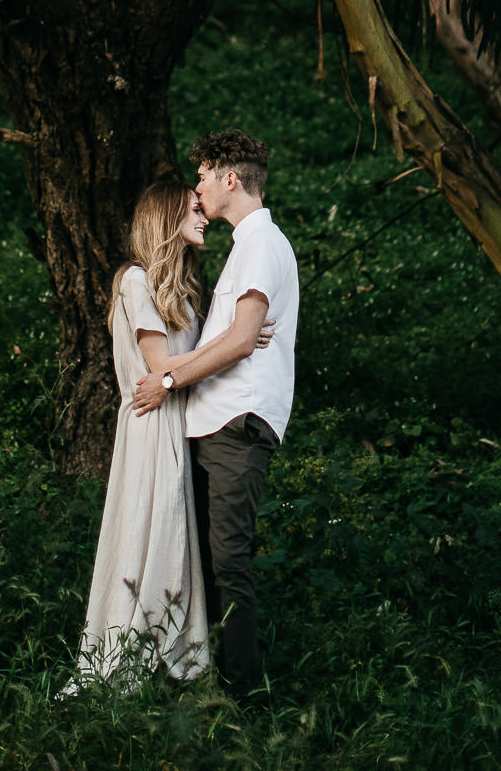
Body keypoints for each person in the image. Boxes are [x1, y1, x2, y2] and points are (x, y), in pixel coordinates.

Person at [134, 129, 299, 699]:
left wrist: (170, 379)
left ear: (231, 179)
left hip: (237, 423)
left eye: (203, 175)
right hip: (213, 423)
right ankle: (198, 675)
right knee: (206, 561)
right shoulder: (244, 249)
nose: (198, 187)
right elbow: (233, 338)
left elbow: (243, 338)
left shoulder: (260, 243)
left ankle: (244, 697)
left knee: (227, 563)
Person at [73, 176, 210, 684]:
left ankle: (174, 649)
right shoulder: (135, 280)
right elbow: (162, 365)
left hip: (178, 421)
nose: (204, 218)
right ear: (167, 218)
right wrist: (234, 343)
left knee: (175, 534)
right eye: (194, 209)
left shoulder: (186, 291)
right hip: (151, 424)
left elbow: (182, 370)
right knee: (152, 530)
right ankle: (134, 648)